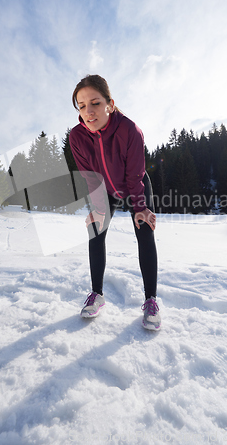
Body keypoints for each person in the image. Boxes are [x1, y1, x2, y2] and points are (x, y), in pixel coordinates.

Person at [69, 75, 161, 330]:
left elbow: (134, 175)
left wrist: (140, 207)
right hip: (103, 190)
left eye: (95, 103)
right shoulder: (77, 137)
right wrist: (98, 209)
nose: (88, 112)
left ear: (110, 104)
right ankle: (96, 294)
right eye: (82, 105)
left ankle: (151, 301)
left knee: (145, 232)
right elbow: (90, 175)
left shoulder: (129, 130)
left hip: (135, 185)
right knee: (95, 232)